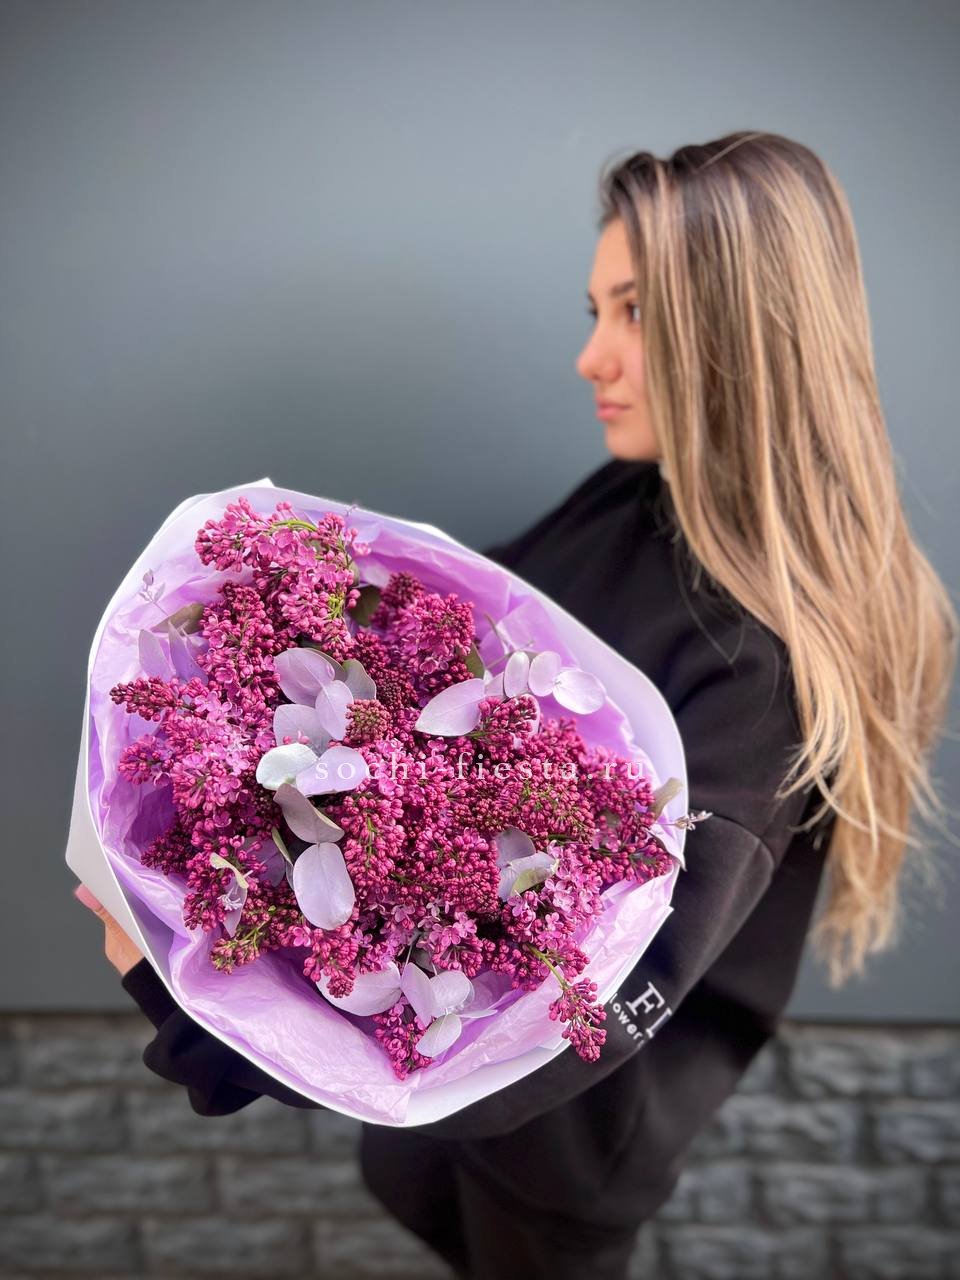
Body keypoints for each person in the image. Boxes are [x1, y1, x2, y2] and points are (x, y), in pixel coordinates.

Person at [79, 131, 958, 1279]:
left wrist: (198, 1012)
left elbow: (617, 997)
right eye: (598, 309)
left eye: (637, 311)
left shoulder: (759, 667)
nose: (594, 356)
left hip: (559, 1161)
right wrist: (283, 634)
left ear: (746, 332)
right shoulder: (630, 502)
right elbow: (460, 631)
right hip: (459, 1110)